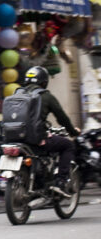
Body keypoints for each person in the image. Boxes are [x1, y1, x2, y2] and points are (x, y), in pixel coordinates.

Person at [21, 65, 78, 195]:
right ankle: (61, 182)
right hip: (35, 140)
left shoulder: (17, 94)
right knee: (67, 145)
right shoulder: (45, 96)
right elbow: (62, 117)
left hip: (15, 139)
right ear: (44, 82)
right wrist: (73, 132)